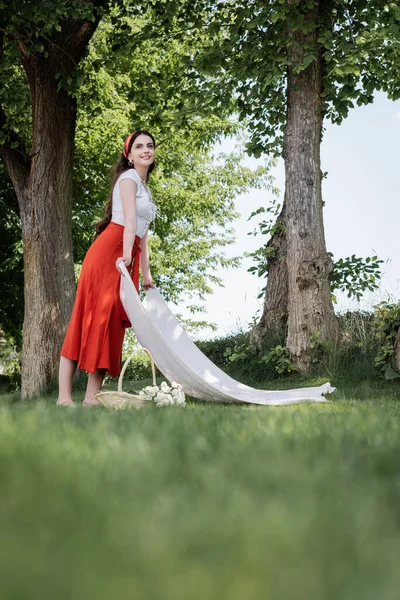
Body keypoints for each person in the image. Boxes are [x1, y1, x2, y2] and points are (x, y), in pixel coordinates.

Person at [57, 130, 156, 406]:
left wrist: (146, 273)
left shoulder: (145, 187)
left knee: (111, 324)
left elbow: (143, 234)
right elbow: (128, 222)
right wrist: (126, 256)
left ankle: (92, 398)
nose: (145, 150)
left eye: (149, 146)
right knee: (87, 319)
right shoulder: (128, 179)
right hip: (110, 253)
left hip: (126, 253)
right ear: (129, 154)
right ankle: (64, 399)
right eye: (139, 146)